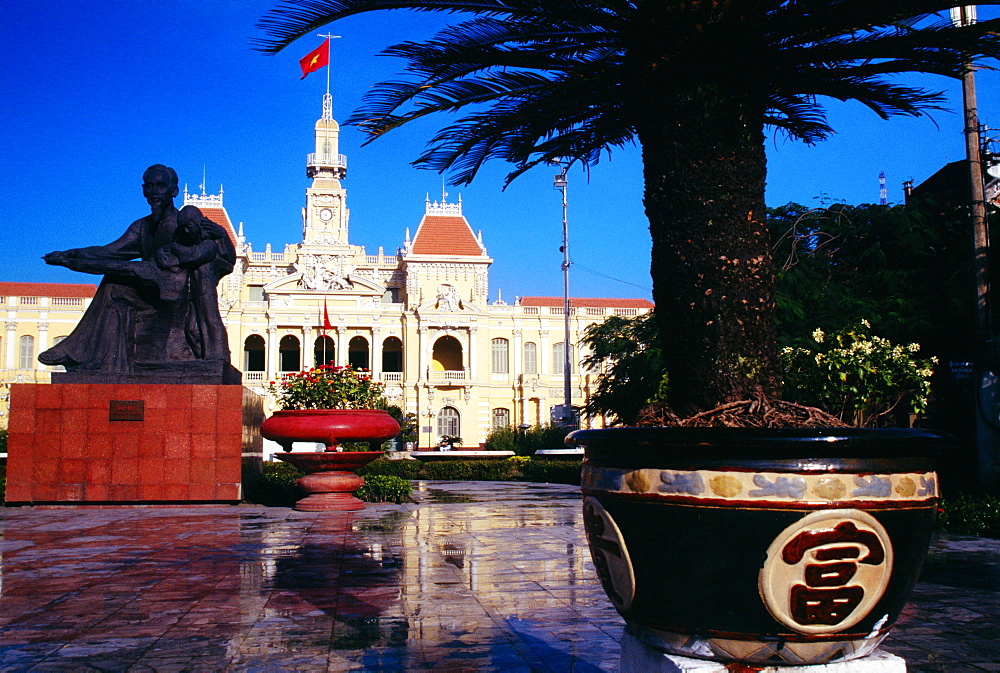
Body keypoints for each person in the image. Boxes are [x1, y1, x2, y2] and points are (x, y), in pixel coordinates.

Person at [38, 165, 236, 372]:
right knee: (113, 284)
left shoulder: (187, 222)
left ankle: (77, 350)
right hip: (151, 290)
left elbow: (220, 256)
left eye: (160, 186)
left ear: (174, 191)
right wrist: (69, 255)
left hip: (178, 295)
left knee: (121, 276)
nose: (154, 192)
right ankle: (91, 357)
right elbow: (108, 251)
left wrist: (219, 236)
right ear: (143, 190)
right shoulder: (142, 227)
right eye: (149, 186)